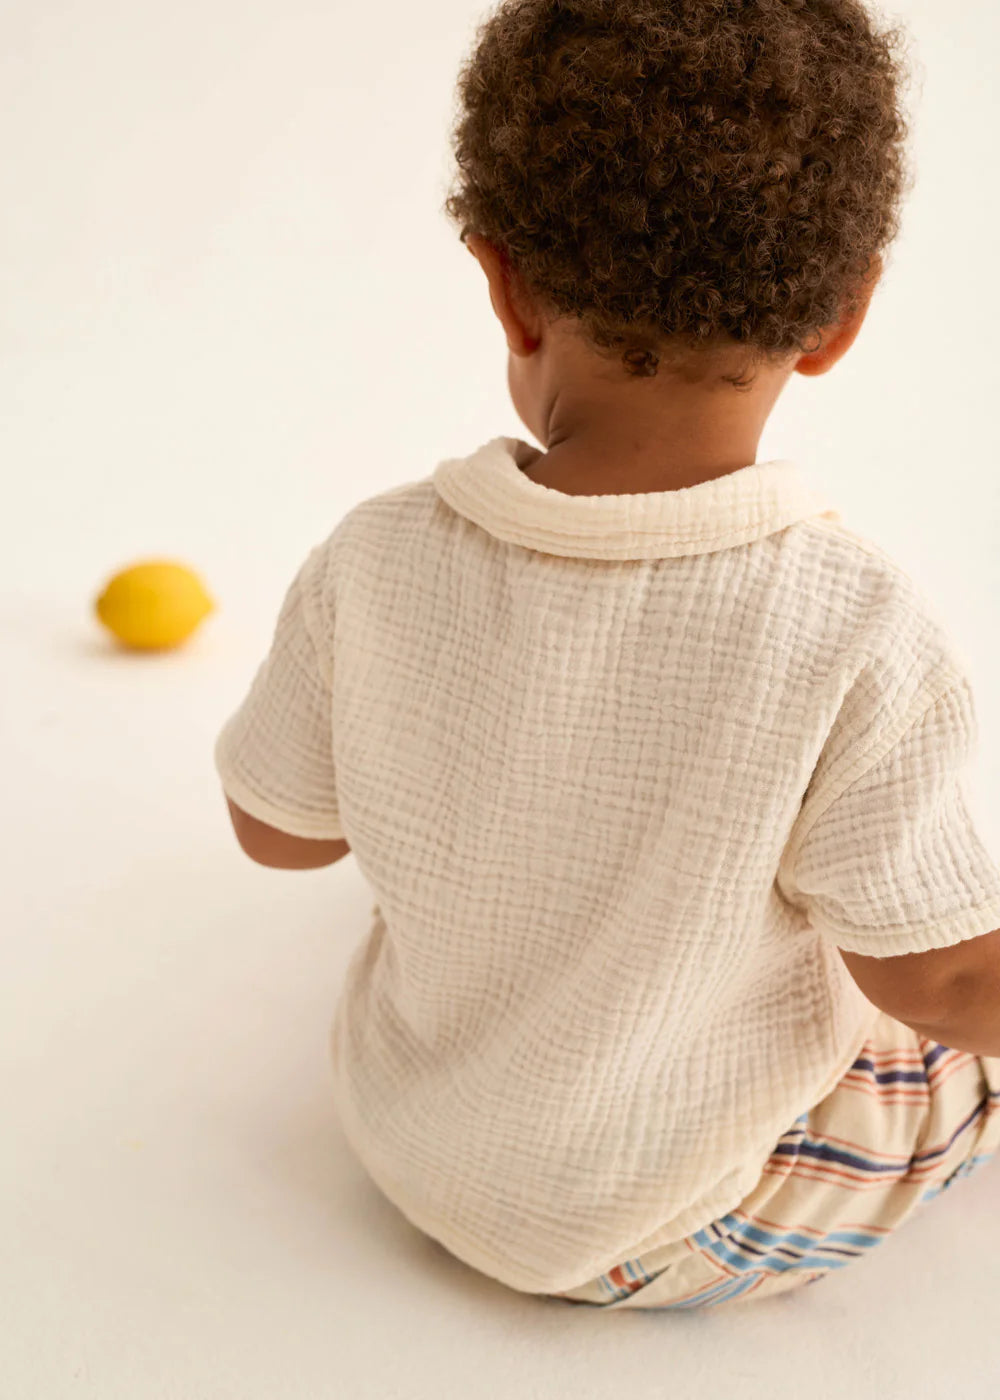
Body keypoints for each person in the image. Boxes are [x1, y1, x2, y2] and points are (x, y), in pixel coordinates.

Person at [214, 0, 1000, 1309]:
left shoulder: (376, 551)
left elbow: (278, 837)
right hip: (680, 1218)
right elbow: (945, 978)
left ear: (506, 282)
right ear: (844, 312)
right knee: (951, 1043)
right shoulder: (850, 621)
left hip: (410, 1144)